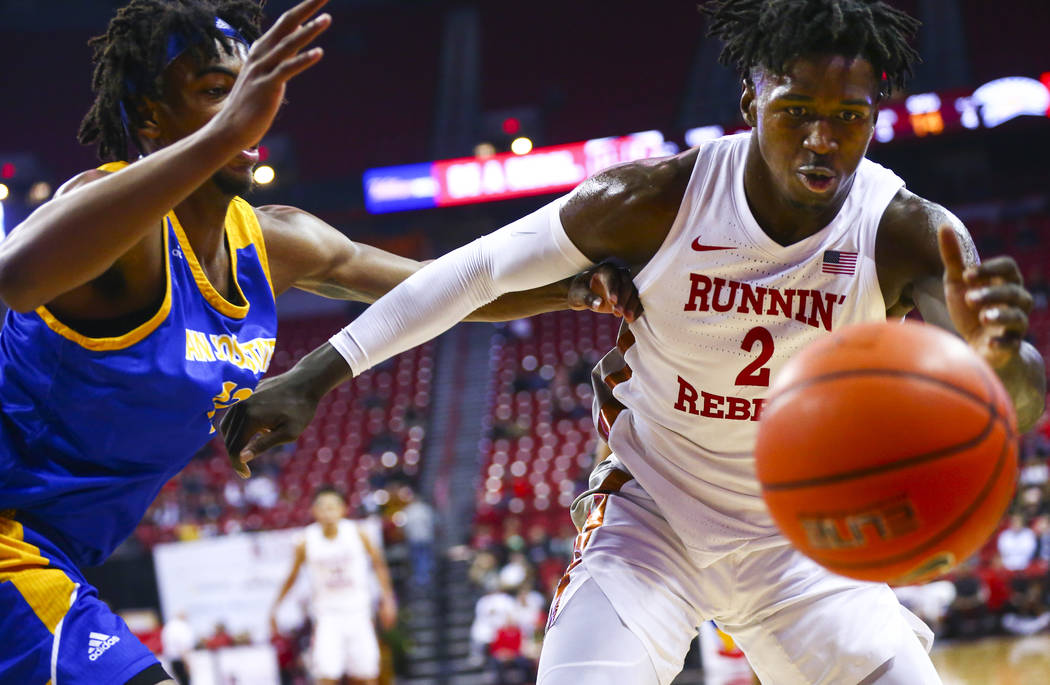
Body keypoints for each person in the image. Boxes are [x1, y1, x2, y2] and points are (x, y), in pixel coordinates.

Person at [223, 1, 1047, 683]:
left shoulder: (908, 232)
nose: (823, 140)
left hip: (803, 531)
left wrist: (999, 357)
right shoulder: (654, 200)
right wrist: (317, 371)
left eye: (849, 117)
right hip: (653, 513)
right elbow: (474, 272)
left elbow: (1009, 403)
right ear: (752, 102)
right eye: (798, 112)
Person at [0, 1, 639, 683]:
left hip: (59, 545)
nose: (248, 109)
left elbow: (440, 285)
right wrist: (223, 134)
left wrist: (576, 288)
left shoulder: (274, 241)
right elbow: (17, 274)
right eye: (217, 91)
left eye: (252, 87)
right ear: (151, 119)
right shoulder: (116, 229)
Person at [269, 486, 394, 685]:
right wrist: (275, 608)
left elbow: (379, 565)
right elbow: (291, 577)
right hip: (327, 616)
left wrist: (388, 599)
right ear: (314, 511)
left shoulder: (358, 533)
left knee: (366, 675)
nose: (328, 512)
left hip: (359, 612)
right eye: (323, 507)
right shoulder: (305, 540)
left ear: (343, 509)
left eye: (332, 507)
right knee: (326, 676)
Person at [160, 610, 195, 685]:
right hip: (181, 659)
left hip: (172, 660)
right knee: (185, 681)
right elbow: (181, 646)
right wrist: (186, 662)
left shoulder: (168, 626)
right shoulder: (180, 627)